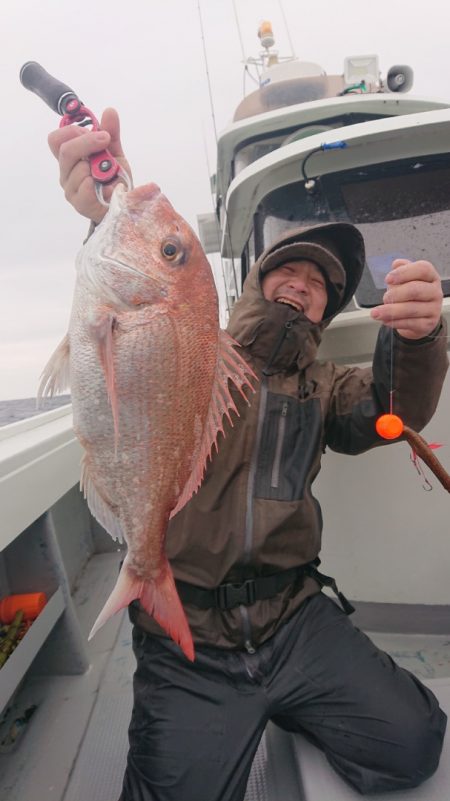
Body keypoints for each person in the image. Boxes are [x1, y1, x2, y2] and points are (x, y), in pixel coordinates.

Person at [49, 109, 448, 801]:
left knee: (414, 743)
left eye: (320, 283)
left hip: (295, 619)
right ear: (257, 281)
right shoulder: (199, 354)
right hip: (190, 639)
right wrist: (103, 214)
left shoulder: (324, 386)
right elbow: (135, 329)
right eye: (289, 268)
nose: (302, 283)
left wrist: (418, 339)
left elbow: (391, 416)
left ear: (325, 311)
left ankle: (286, 707)